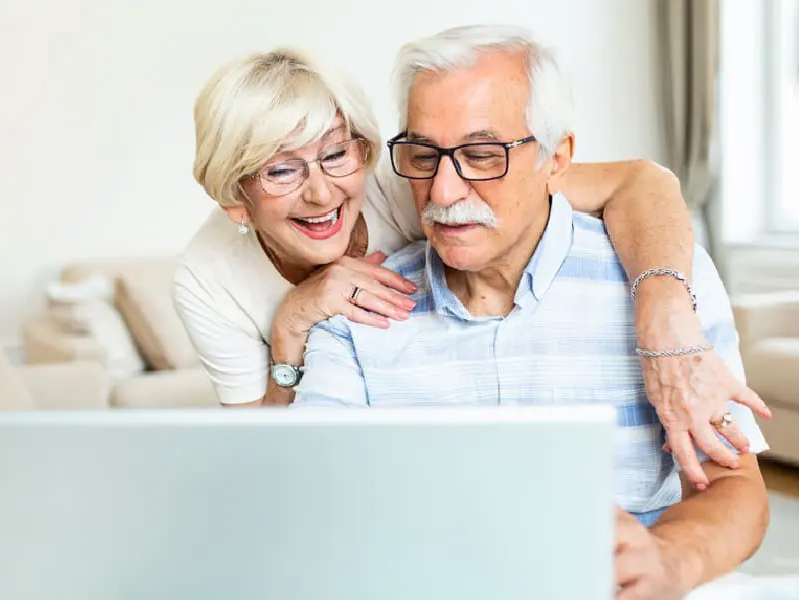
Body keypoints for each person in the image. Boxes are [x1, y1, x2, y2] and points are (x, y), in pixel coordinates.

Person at [291, 25, 770, 598]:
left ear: (557, 157)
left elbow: (734, 486)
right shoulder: (357, 312)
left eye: (482, 155)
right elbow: (315, 503)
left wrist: (669, 559)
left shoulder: (666, 281)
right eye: (423, 155)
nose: (443, 192)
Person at [174, 43, 769, 489]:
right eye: (281, 170)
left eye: (335, 154)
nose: (322, 193)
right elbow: (263, 471)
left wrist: (665, 313)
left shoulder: (420, 179)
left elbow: (641, 182)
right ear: (235, 198)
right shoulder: (208, 278)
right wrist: (290, 327)